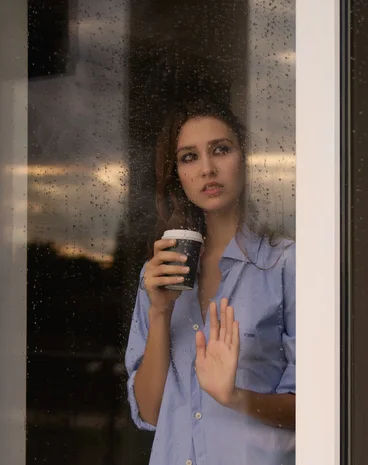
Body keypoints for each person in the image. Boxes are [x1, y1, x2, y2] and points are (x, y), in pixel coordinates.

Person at [125, 97, 296, 465]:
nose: (207, 169)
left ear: (245, 160)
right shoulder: (159, 273)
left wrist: (234, 396)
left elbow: (321, 408)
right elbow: (151, 412)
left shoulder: (284, 263)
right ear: (178, 176)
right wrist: (158, 312)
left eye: (220, 150)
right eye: (189, 157)